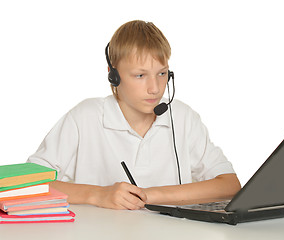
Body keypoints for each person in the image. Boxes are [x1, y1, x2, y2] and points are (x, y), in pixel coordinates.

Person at [27, 20, 241, 210]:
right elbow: (26, 182)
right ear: (113, 75)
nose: (155, 88)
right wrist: (98, 194)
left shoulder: (183, 117)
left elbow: (230, 185)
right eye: (140, 75)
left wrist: (147, 195)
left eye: (162, 73)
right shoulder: (85, 117)